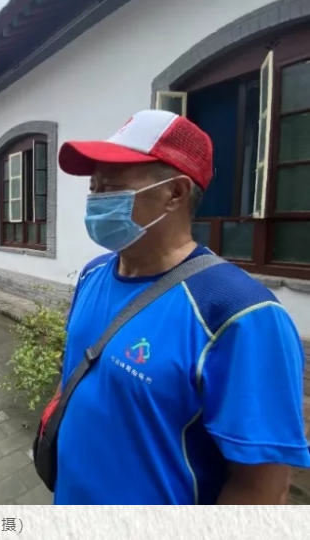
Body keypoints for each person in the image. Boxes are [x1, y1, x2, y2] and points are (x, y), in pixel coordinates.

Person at [54, 110, 310, 504]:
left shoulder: (241, 315)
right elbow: (77, 373)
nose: (96, 202)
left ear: (175, 193)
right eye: (94, 189)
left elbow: (261, 488)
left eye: (112, 188)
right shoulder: (93, 274)